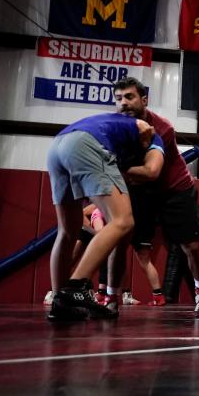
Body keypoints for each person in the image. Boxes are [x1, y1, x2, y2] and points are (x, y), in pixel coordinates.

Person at [46, 112, 165, 321]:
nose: (123, 103)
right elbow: (152, 169)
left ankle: (59, 301)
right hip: (85, 144)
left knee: (67, 231)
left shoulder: (111, 124)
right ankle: (76, 286)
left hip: (57, 145)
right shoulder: (149, 132)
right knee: (123, 220)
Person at [113, 77, 199, 317]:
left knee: (192, 246)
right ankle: (110, 296)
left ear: (144, 99)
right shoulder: (113, 126)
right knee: (117, 239)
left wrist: (116, 168)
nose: (123, 103)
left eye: (129, 97)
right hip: (139, 189)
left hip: (174, 190)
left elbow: (150, 172)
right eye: (118, 98)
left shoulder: (163, 128)